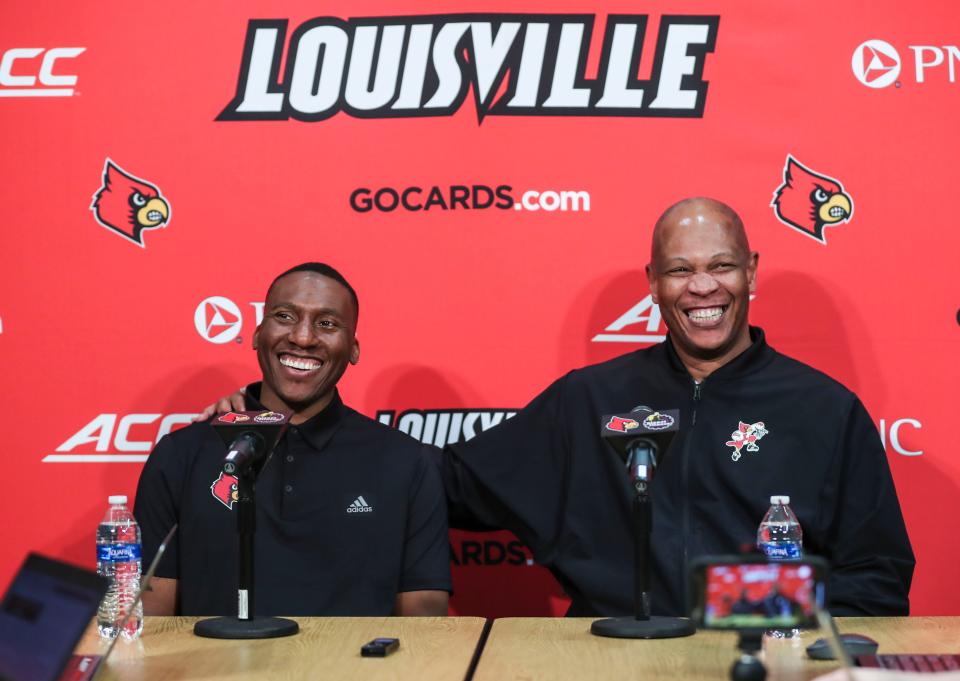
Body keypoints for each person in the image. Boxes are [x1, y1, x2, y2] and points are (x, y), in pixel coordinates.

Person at [202, 198, 915, 618]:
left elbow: (880, 576)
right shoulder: (592, 397)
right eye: (680, 269)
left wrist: (750, 612)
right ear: (654, 283)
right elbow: (446, 484)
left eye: (721, 265)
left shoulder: (826, 409)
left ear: (751, 270)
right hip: (609, 657)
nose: (703, 287)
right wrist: (285, 418)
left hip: (765, 659)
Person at [135, 263, 450, 616]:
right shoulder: (182, 456)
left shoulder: (405, 463)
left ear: (354, 348)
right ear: (256, 333)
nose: (302, 338)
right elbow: (150, 626)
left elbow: (425, 629)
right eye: (285, 316)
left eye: (327, 324)